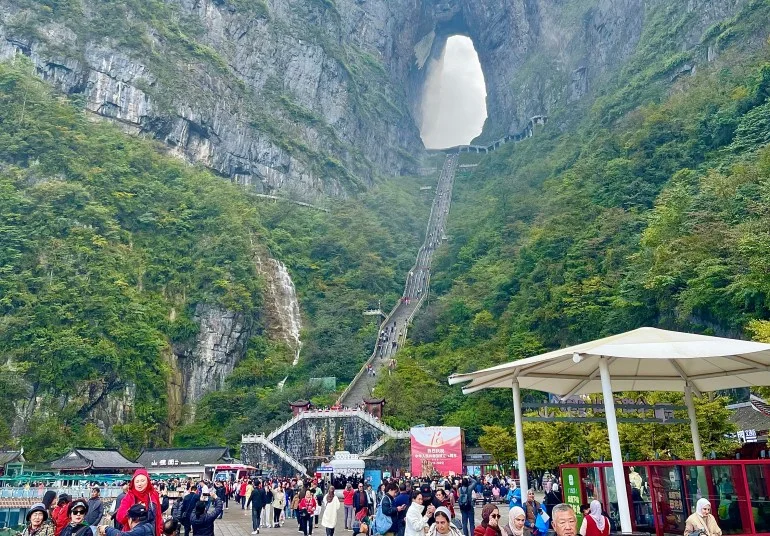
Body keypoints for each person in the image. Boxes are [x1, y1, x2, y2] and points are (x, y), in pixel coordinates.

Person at [117, 469, 163, 536]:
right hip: (133, 533)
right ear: (133, 483)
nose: (139, 484)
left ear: (147, 481)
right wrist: (133, 511)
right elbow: (119, 517)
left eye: (142, 481)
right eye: (137, 481)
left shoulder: (153, 495)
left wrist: (160, 530)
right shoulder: (129, 496)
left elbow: (158, 515)